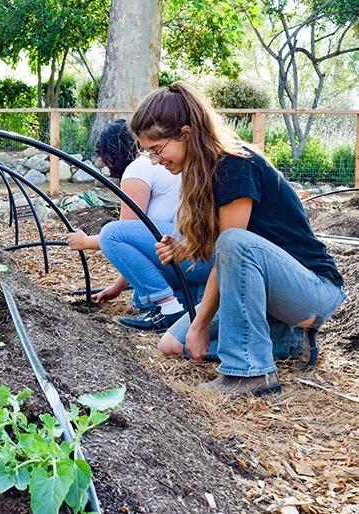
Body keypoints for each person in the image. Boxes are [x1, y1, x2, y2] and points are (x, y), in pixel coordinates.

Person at [128, 82, 344, 396]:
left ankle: (250, 374)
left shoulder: (235, 166)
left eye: (157, 150)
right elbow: (223, 246)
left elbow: (232, 247)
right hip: (269, 292)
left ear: (186, 133)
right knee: (171, 344)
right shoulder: (201, 172)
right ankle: (287, 339)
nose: (156, 160)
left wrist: (201, 323)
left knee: (233, 243)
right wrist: (184, 248)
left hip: (312, 289)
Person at [67, 120, 212, 331]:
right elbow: (141, 246)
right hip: (199, 258)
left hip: (188, 254)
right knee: (140, 298)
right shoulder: (171, 162)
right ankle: (187, 298)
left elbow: (123, 235)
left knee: (112, 234)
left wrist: (85, 241)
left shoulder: (137, 170)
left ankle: (170, 309)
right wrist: (116, 288)